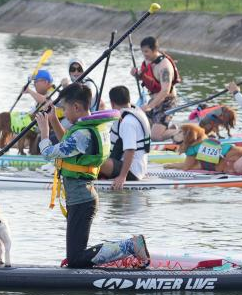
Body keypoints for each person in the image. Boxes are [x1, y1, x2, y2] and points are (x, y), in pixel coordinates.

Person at [37, 83, 147, 269]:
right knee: (76, 257)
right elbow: (68, 145)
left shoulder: (83, 133)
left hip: (81, 201)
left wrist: (44, 130)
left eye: (64, 108)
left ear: (77, 107)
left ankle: (131, 246)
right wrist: (54, 120)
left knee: (76, 258)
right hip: (82, 199)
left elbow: (49, 152)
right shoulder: (87, 129)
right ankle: (128, 247)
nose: (63, 112)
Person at [99, 85, 150, 189]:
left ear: (112, 103)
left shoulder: (127, 122)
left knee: (93, 161)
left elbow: (130, 150)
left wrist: (122, 177)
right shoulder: (135, 110)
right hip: (137, 167)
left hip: (132, 171)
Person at [131, 37, 181, 128]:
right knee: (140, 125)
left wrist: (149, 106)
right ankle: (168, 128)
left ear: (154, 50)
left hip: (167, 102)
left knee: (156, 136)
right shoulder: (148, 61)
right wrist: (136, 75)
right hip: (154, 100)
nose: (144, 54)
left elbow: (165, 91)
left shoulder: (164, 66)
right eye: (142, 52)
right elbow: (146, 79)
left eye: (146, 51)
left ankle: (175, 131)